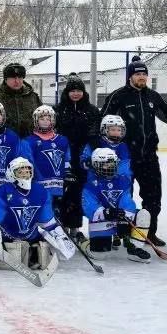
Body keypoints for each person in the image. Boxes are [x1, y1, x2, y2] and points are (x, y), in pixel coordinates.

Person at [101, 58, 167, 246]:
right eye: (137, 74)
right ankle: (120, 232)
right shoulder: (118, 96)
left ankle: (147, 233)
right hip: (124, 157)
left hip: (148, 156)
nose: (141, 77)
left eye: (144, 74)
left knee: (153, 196)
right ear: (130, 76)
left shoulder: (153, 96)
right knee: (123, 195)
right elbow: (103, 121)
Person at [0, 157, 76, 272]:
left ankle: (30, 253)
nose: (25, 173)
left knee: (42, 253)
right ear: (11, 174)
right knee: (14, 251)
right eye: (20, 171)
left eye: (28, 170)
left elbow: (47, 222)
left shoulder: (41, 191)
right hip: (7, 237)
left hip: (31, 236)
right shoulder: (2, 191)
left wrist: (60, 237)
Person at [80, 148, 151, 263]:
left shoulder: (123, 180)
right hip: (101, 220)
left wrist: (124, 216)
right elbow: (88, 206)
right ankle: (83, 241)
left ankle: (135, 249)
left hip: (120, 217)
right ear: (96, 165)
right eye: (106, 164)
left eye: (113, 163)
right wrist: (105, 212)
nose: (111, 166)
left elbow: (127, 201)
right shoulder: (90, 184)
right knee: (100, 255)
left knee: (144, 214)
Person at [20, 105, 79, 238]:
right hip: (39, 186)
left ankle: (58, 238)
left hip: (58, 186)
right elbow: (26, 162)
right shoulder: (29, 141)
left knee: (57, 213)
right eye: (42, 118)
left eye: (48, 118)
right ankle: (38, 239)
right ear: (35, 120)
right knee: (40, 213)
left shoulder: (62, 140)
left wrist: (68, 172)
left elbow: (67, 159)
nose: (46, 121)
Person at [54, 73, 100, 238]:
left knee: (77, 193)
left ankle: (74, 227)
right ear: (67, 92)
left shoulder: (91, 111)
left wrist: (87, 154)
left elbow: (95, 135)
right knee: (60, 193)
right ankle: (59, 226)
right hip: (61, 158)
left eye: (79, 90)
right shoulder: (58, 110)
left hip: (82, 159)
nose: (75, 93)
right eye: (72, 90)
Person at [0, 62, 42, 136]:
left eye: (20, 77)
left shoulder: (33, 97)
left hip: (29, 143)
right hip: (3, 143)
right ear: (5, 79)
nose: (17, 81)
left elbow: (42, 119)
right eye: (13, 78)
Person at [81, 115, 132, 181]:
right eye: (113, 129)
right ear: (104, 129)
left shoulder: (123, 147)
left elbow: (125, 166)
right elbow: (84, 160)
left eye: (119, 130)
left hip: (117, 182)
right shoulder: (95, 143)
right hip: (95, 182)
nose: (116, 132)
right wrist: (89, 162)